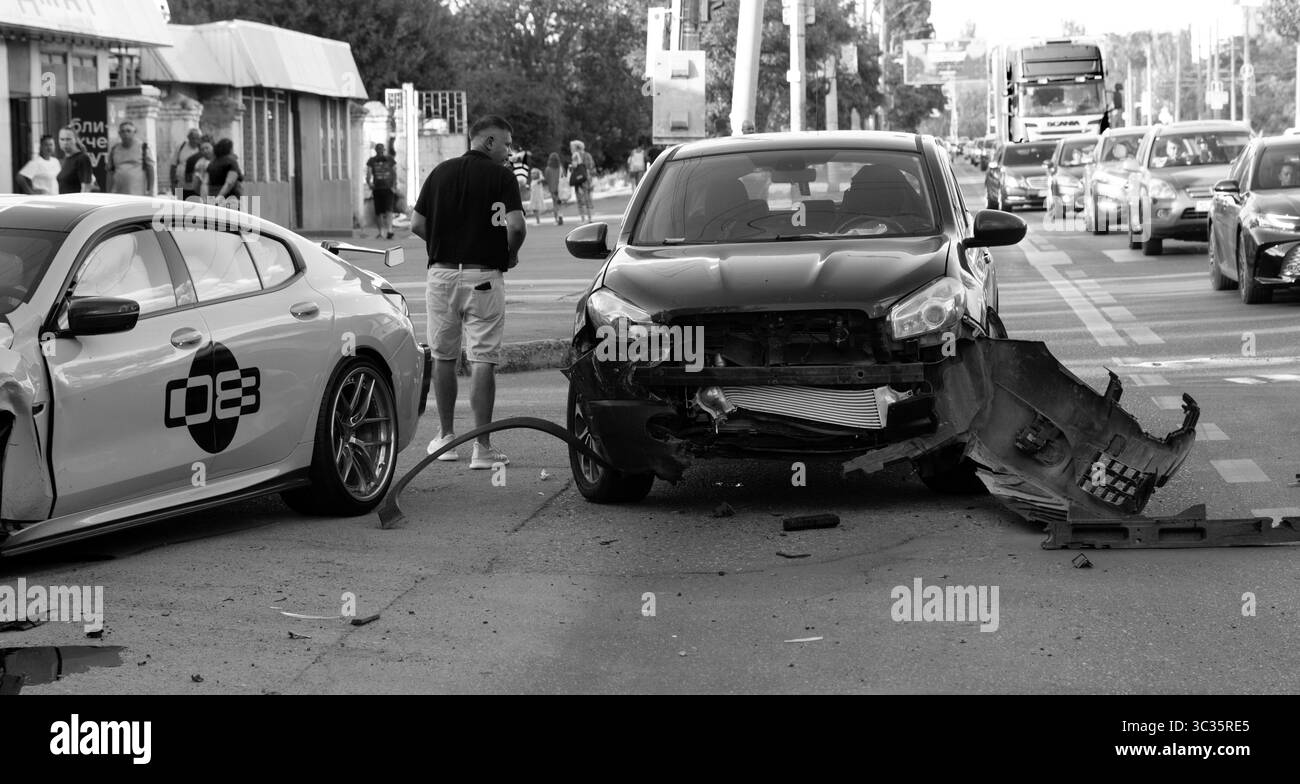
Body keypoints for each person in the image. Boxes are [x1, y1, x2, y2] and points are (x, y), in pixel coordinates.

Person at [412, 115, 525, 469]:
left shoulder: (440, 173)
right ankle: (482, 447)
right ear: (488, 142)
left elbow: (417, 223)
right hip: (485, 278)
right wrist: (510, 253)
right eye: (506, 144)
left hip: (442, 276)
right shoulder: (502, 178)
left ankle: (446, 438)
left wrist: (445, 246)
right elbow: (517, 225)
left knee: (444, 357)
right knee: (482, 360)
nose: (509, 153)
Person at [106, 120, 154, 195]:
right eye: (123, 131)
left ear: (134, 132)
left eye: (128, 131)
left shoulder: (143, 147)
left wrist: (150, 190)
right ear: (119, 134)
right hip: (117, 194)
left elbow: (150, 169)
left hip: (138, 194)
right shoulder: (114, 149)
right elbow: (110, 172)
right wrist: (108, 192)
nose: (125, 134)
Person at [367, 142, 398, 239]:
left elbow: (394, 173)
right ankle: (384, 231)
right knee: (382, 211)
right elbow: (368, 174)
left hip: (386, 189)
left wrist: (394, 186)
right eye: (379, 149)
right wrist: (370, 183)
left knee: (385, 210)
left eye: (381, 149)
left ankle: (387, 231)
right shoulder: (373, 160)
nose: (380, 151)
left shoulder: (388, 160)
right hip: (380, 189)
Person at [56, 126, 94, 194]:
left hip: (75, 202)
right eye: (62, 139)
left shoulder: (82, 158)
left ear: (75, 140)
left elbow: (86, 188)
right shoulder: (65, 159)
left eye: (68, 139)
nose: (65, 142)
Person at [208, 138, 243, 207]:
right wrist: (219, 197)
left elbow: (204, 183)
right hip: (229, 198)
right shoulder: (232, 162)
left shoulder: (212, 163)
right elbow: (229, 183)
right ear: (230, 149)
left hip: (212, 198)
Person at [171, 128, 203, 196]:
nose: (194, 140)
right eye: (192, 138)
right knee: (179, 205)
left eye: (197, 138)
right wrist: (173, 184)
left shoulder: (202, 149)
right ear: (188, 138)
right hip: (180, 185)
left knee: (196, 204)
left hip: (197, 187)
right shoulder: (181, 147)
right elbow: (173, 165)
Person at [569, 139, 595, 223]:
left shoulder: (575, 155)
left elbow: (574, 166)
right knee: (587, 199)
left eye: (571, 147)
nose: (570, 148)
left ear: (576, 147)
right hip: (587, 179)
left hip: (579, 180)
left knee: (580, 200)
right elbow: (592, 166)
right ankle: (590, 218)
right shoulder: (588, 155)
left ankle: (583, 219)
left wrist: (571, 167)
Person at [544, 151, 565, 225]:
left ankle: (556, 220)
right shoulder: (560, 167)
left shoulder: (548, 169)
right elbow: (564, 176)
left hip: (552, 189)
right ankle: (561, 217)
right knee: (559, 204)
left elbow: (546, 179)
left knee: (555, 204)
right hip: (560, 188)